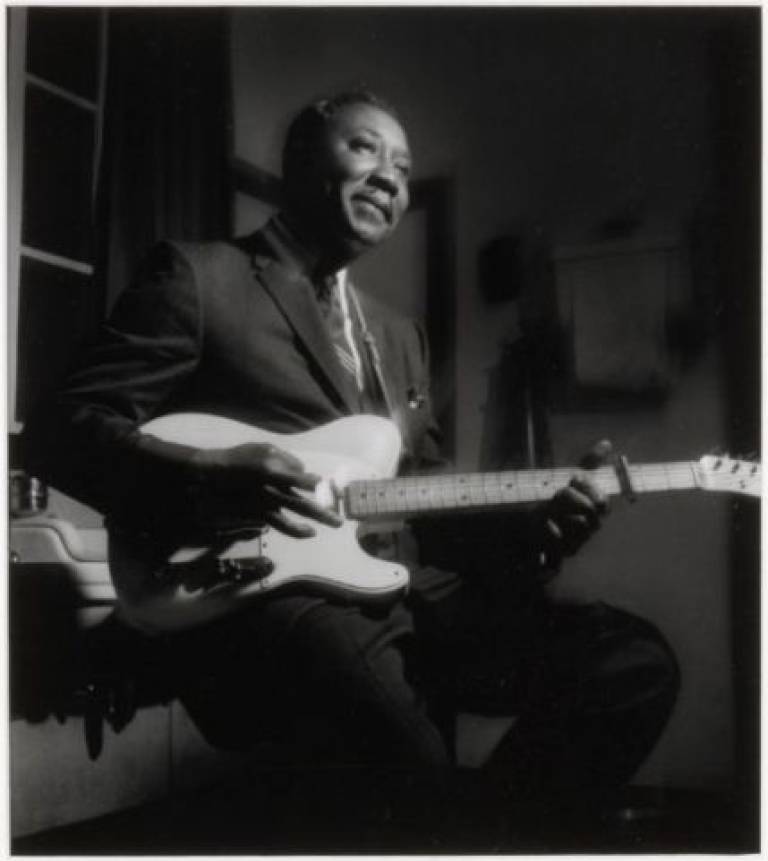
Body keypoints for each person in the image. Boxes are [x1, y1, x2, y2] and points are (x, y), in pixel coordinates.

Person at [24, 90, 679, 837]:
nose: (390, 179)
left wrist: (540, 528)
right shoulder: (202, 278)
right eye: (366, 149)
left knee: (632, 665)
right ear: (302, 158)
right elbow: (59, 429)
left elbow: (424, 504)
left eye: (403, 167)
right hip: (269, 601)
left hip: (406, 588)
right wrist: (209, 479)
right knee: (412, 772)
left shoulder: (400, 337)